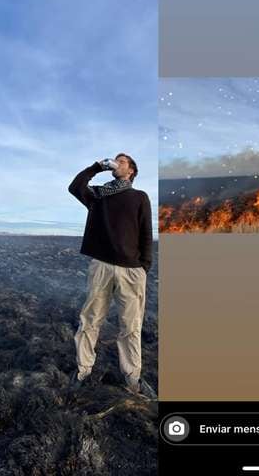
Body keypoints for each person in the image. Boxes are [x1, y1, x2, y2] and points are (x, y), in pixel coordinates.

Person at [68, 154, 155, 397]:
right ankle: (82, 371)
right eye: (115, 160)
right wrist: (97, 166)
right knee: (90, 320)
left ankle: (133, 378)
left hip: (131, 271)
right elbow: (75, 186)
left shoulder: (139, 197)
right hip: (102, 267)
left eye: (123, 161)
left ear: (131, 171)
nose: (117, 162)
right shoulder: (98, 196)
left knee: (131, 326)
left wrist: (144, 266)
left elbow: (146, 233)